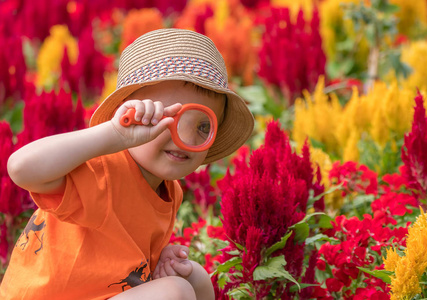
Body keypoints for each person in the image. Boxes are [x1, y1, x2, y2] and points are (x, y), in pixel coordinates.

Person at [0, 28, 254, 299]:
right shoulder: (103, 170)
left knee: (194, 277)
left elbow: (121, 257)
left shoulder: (170, 190)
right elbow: (20, 167)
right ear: (130, 114)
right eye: (162, 117)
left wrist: (157, 262)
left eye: (202, 126)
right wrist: (112, 134)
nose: (183, 139)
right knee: (175, 291)